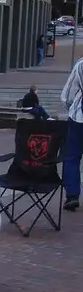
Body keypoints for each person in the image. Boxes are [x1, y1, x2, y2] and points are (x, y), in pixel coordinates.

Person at [61, 58, 83, 211]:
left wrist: (71, 108)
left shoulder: (81, 64)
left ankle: (72, 195)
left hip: (79, 118)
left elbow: (68, 93)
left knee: (72, 157)